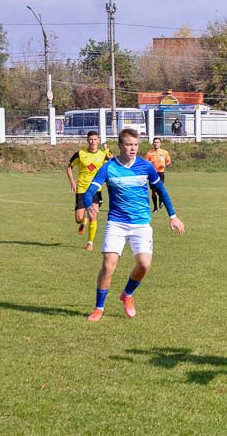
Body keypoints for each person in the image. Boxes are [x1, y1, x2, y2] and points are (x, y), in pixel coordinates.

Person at [83, 128, 185, 322]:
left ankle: (127, 294)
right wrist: (89, 204)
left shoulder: (145, 166)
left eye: (136, 145)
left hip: (141, 224)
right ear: (120, 145)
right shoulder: (108, 168)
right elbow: (90, 191)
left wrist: (173, 216)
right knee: (108, 265)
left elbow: (161, 191)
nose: (133, 148)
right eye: (129, 145)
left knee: (144, 264)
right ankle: (99, 308)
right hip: (116, 223)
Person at [66, 131, 109, 251]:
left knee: (93, 215)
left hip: (96, 189)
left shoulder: (102, 155)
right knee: (78, 218)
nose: (93, 142)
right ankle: (83, 221)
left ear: (98, 141)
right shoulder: (80, 154)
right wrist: (72, 182)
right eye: (91, 139)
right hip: (81, 189)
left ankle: (90, 242)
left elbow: (108, 169)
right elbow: (69, 167)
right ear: (87, 141)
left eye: (95, 139)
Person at [145, 137, 172, 212]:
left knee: (159, 188)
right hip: (152, 173)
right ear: (153, 143)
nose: (156, 144)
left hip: (160, 173)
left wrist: (165, 165)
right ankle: (155, 207)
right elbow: (146, 163)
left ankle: (161, 201)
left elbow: (169, 161)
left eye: (157, 142)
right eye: (155, 142)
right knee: (154, 191)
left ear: (160, 143)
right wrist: (148, 164)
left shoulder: (164, 152)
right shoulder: (149, 153)